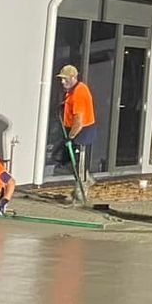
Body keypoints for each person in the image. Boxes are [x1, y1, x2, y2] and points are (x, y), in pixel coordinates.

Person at [58, 65, 96, 206]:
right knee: (64, 159)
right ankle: (87, 180)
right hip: (72, 130)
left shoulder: (79, 92)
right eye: (61, 79)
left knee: (79, 165)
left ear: (74, 77)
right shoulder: (71, 91)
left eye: (65, 79)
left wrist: (71, 136)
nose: (62, 82)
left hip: (82, 132)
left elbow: (79, 121)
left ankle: (81, 197)